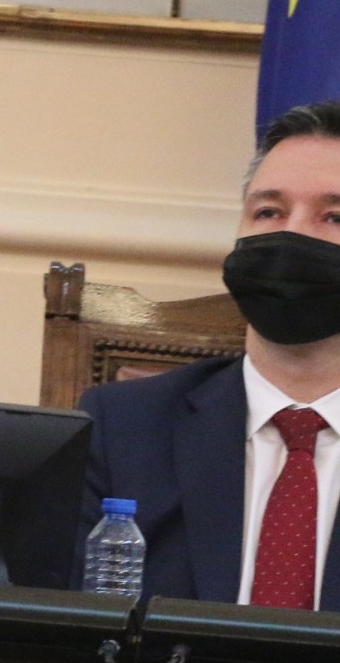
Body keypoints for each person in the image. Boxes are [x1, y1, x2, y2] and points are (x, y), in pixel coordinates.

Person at [81, 100, 340, 609]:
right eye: (268, 212)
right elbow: (63, 629)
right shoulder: (122, 429)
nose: (290, 236)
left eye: (334, 216)